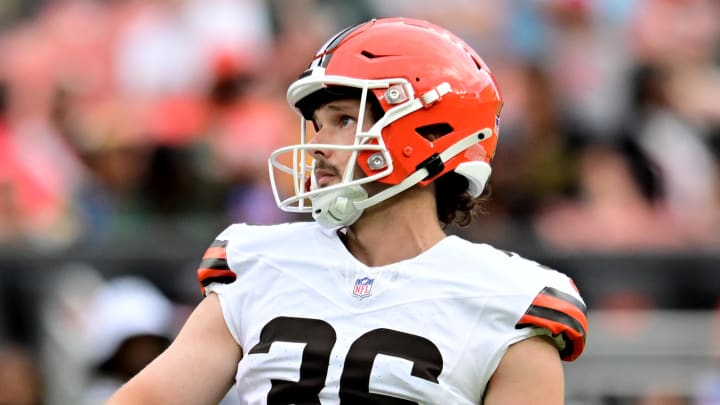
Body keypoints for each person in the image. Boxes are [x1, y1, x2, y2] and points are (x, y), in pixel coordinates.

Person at [107, 17, 588, 404]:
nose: (316, 145)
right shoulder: (259, 264)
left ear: (426, 133)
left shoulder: (510, 301)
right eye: (316, 125)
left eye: (342, 121)